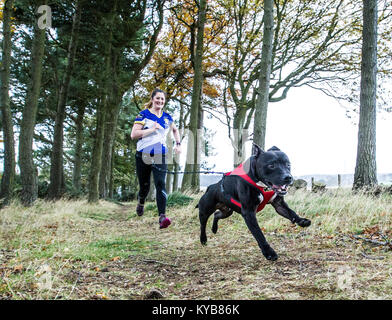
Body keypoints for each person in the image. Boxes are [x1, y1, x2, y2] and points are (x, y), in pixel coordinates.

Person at [131, 89, 181, 229]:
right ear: (152, 99)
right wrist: (152, 129)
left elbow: (175, 130)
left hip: (160, 153)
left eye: (162, 99)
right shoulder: (144, 114)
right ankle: (141, 202)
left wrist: (178, 144)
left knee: (160, 184)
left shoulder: (167, 117)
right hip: (143, 154)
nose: (160, 101)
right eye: (157, 98)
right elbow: (133, 134)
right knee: (145, 186)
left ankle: (162, 217)